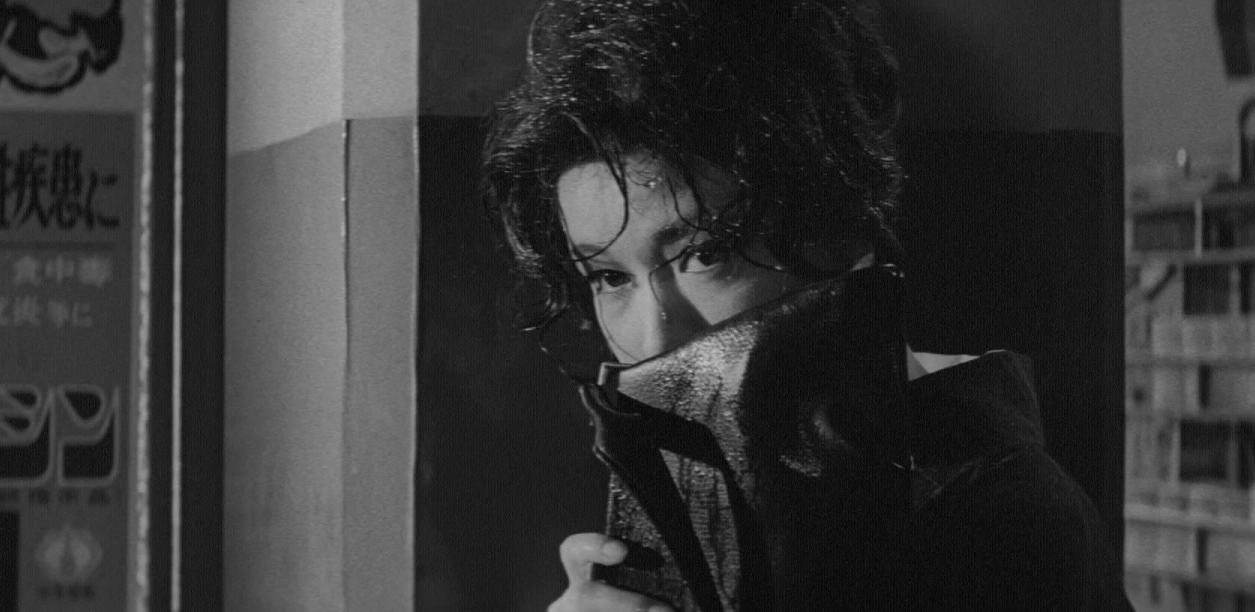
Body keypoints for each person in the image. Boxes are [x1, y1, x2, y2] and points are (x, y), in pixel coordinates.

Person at [482, 0, 1132, 610]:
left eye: (704, 255)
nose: (653, 339)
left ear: (834, 234)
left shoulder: (1005, 514)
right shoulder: (727, 485)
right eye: (608, 277)